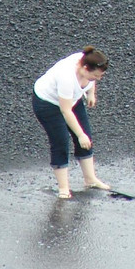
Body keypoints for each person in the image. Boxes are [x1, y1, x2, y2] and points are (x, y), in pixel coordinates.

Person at [32, 46, 112, 198]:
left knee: (86, 135)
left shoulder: (88, 62)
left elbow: (91, 79)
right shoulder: (66, 77)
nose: (98, 78)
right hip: (47, 103)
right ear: (85, 68)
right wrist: (80, 135)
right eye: (95, 75)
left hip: (71, 99)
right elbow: (66, 111)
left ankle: (90, 179)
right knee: (61, 141)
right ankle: (63, 188)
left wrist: (90, 94)